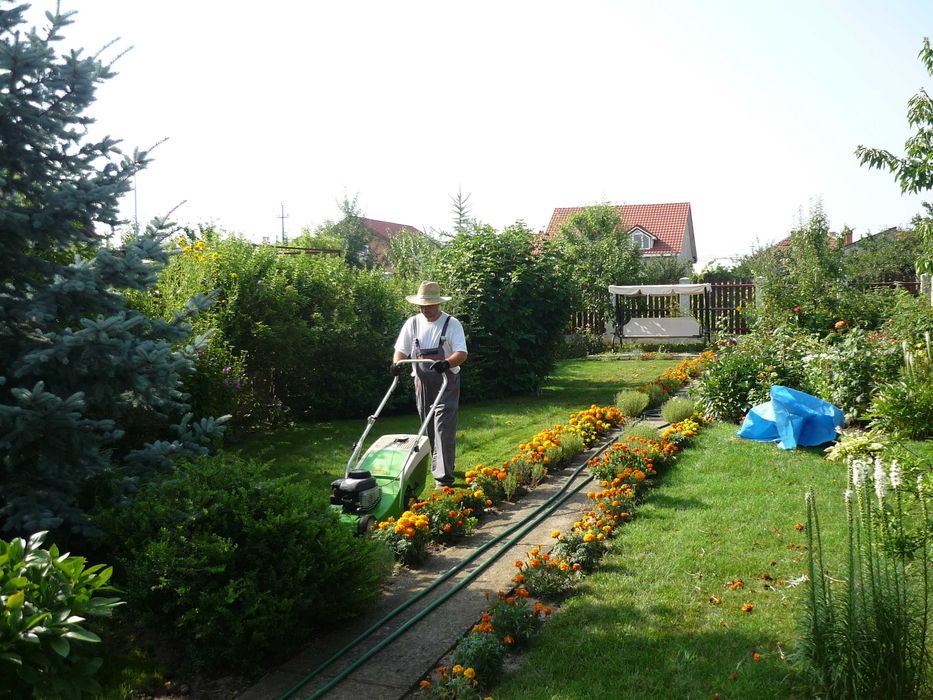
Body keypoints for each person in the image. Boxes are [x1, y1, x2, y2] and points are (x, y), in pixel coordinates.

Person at [392, 281, 467, 488]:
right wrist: (396, 364)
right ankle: (442, 465)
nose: (426, 310)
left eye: (430, 306)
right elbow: (401, 350)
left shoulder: (452, 324)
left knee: (443, 427)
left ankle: (443, 479)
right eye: (422, 306)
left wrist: (446, 363)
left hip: (446, 382)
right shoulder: (413, 324)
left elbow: (461, 353)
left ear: (438, 304)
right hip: (422, 383)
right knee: (429, 427)